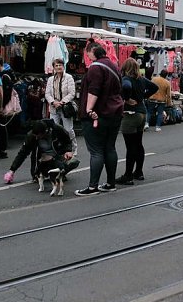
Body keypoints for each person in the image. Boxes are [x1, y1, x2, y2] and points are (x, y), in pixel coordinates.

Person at [75, 43, 124, 196]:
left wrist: (88, 109)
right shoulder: (114, 66)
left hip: (98, 114)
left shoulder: (95, 68)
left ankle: (92, 187)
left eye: (87, 53)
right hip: (115, 112)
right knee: (110, 148)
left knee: (96, 151)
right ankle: (110, 183)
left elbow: (94, 90)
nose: (87, 57)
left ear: (92, 51)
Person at [117, 59, 159, 185]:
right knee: (138, 144)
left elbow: (126, 87)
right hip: (142, 113)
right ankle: (139, 172)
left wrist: (127, 98)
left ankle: (128, 175)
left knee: (130, 147)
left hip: (130, 114)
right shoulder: (141, 79)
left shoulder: (126, 79)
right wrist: (143, 97)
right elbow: (155, 87)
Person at [3, 119, 78, 185]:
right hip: (42, 162)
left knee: (74, 161)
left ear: (46, 131)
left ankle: (59, 174)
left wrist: (68, 151)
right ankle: (41, 174)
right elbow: (23, 153)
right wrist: (12, 170)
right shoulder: (31, 136)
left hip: (56, 158)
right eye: (35, 136)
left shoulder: (57, 129)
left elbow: (67, 141)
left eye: (38, 136)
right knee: (40, 172)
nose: (36, 138)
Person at [45, 58, 77, 154]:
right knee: (54, 129)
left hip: (65, 108)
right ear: (54, 68)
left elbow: (72, 93)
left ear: (63, 66)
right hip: (54, 108)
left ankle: (73, 149)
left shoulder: (69, 78)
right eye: (56, 65)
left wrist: (62, 102)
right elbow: (47, 93)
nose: (58, 67)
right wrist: (53, 102)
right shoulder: (50, 79)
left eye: (60, 65)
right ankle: (57, 149)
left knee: (68, 130)